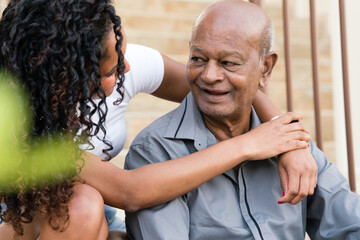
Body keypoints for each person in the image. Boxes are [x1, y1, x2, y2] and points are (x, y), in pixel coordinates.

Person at [0, 0, 316, 239]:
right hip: (22, 218)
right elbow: (129, 191)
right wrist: (247, 145)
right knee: (79, 207)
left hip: (93, 215)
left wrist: (287, 137)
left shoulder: (125, 62)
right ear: (63, 80)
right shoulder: (23, 123)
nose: (125, 70)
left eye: (121, 53)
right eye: (109, 73)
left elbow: (230, 85)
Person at [125, 1, 360, 239]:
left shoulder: (291, 144)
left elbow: (350, 224)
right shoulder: (156, 151)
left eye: (228, 63)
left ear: (265, 69)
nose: (209, 75)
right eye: (198, 58)